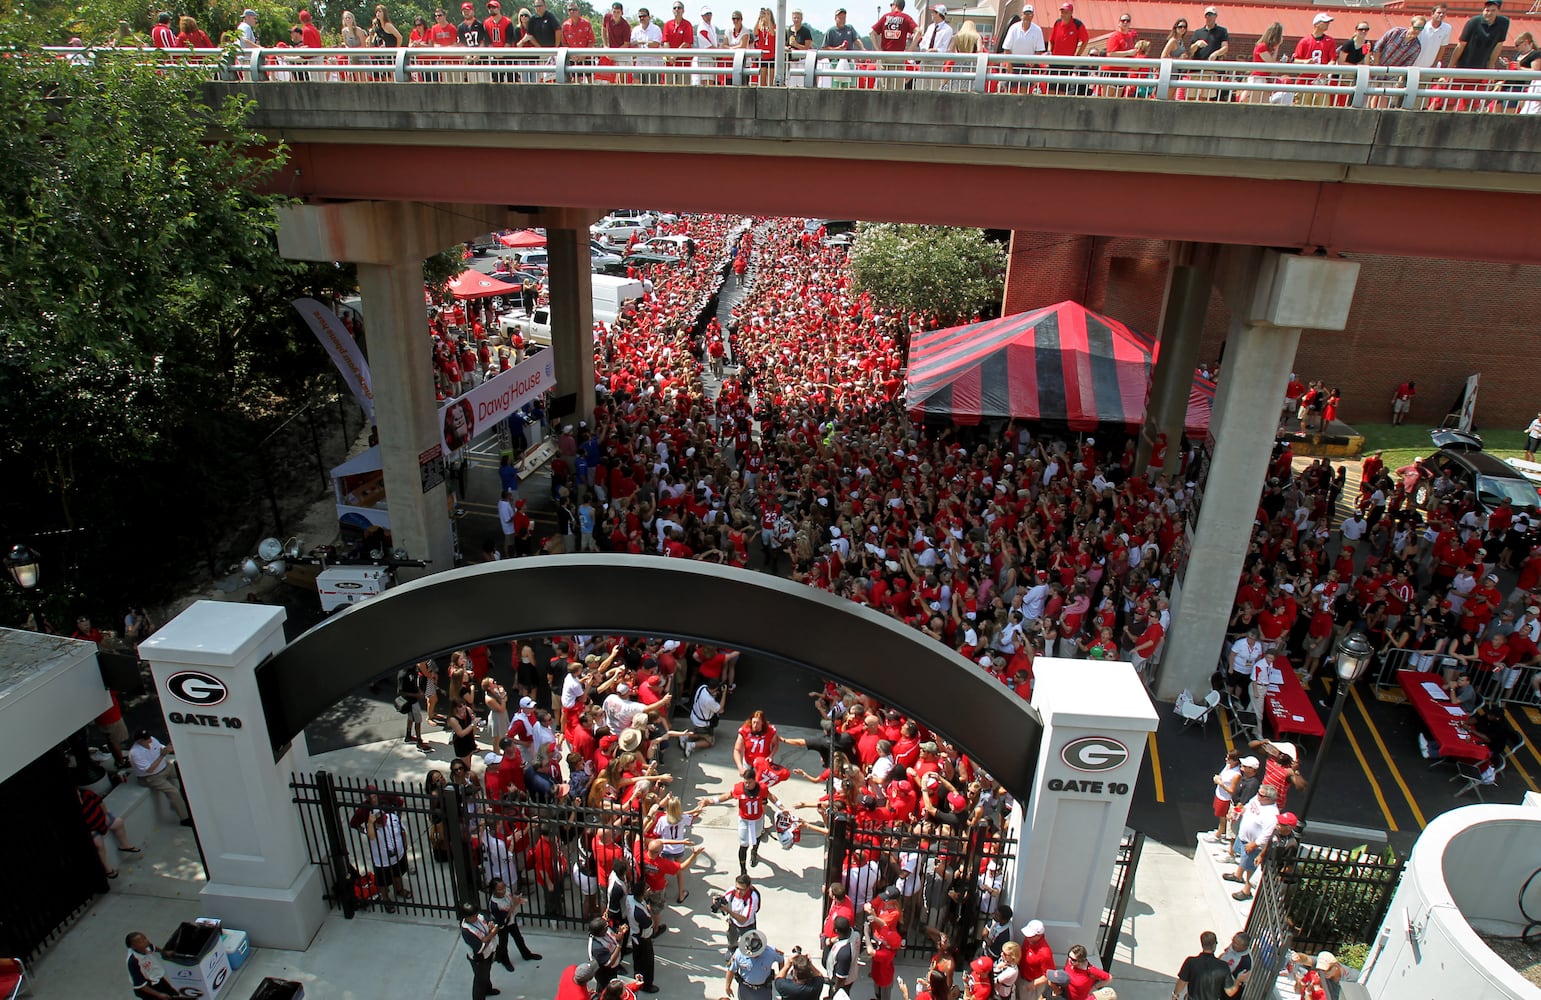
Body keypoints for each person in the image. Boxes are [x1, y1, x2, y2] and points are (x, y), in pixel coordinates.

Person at [127, 730, 191, 825]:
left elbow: (160, 747)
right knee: (173, 792)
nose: (149, 740)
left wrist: (167, 749)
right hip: (151, 777)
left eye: (149, 737)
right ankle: (185, 818)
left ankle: (185, 800)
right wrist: (163, 755)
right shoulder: (135, 753)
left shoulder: (152, 739)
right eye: (146, 739)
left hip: (166, 767)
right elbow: (150, 769)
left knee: (187, 774)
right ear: (139, 741)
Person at [79, 786, 139, 879]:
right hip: (91, 830)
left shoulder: (87, 793)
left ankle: (124, 845)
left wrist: (106, 815)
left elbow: (100, 803)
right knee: (98, 844)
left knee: (118, 822)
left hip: (102, 819)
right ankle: (107, 869)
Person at [1174, 931, 1246, 999]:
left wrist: (1175, 995)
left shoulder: (1191, 962)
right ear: (1214, 945)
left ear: (1202, 944)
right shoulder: (1223, 967)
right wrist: (1238, 981)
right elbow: (1230, 992)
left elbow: (1181, 983)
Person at [725, 928, 783, 1000]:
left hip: (763, 990)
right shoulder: (739, 953)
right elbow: (731, 970)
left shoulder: (771, 952)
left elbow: (781, 960)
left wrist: (781, 978)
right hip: (745, 989)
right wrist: (728, 986)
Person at [461, 902, 501, 1000]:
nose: (475, 917)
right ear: (466, 917)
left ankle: (488, 989)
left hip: (489, 952)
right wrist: (492, 934)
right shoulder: (466, 931)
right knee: (479, 981)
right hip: (479, 959)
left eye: (475, 915)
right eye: (472, 916)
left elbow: (491, 924)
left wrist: (489, 933)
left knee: (486, 974)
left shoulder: (480, 916)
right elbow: (480, 947)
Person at [720, 873, 763, 954]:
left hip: (747, 926)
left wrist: (728, 911)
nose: (739, 892)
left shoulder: (752, 898)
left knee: (750, 945)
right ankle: (732, 950)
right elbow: (724, 900)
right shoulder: (732, 891)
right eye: (737, 888)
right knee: (731, 939)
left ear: (749, 887)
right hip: (733, 923)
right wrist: (718, 903)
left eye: (742, 889)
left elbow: (743, 920)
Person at [126, 931, 176, 1000]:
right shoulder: (134, 961)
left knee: (173, 995)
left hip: (156, 979)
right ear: (133, 946)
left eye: (145, 938)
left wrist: (164, 952)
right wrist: (159, 994)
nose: (146, 941)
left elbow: (153, 947)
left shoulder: (145, 947)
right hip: (147, 987)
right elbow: (140, 986)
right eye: (142, 941)